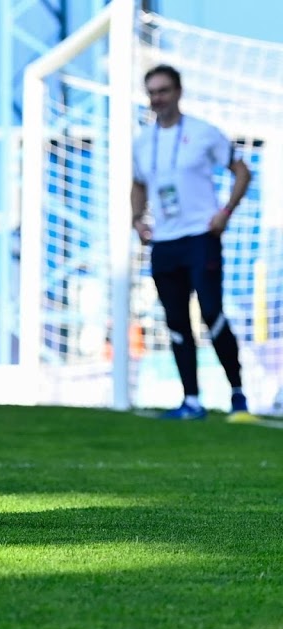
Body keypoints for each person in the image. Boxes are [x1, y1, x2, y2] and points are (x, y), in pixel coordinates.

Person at [131, 65, 256, 422]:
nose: (158, 98)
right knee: (175, 322)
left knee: (212, 312)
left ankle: (238, 394)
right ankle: (192, 401)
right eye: (152, 92)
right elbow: (138, 184)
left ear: (179, 91)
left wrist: (226, 211)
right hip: (165, 244)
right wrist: (137, 219)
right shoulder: (143, 142)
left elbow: (242, 171)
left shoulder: (204, 133)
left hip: (201, 237)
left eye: (164, 91)